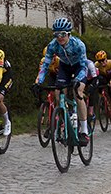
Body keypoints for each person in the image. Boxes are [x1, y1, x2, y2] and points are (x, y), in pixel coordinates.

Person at [32, 17, 89, 146]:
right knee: (58, 94)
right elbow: (45, 66)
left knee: (77, 93)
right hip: (64, 67)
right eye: (56, 34)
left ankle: (84, 131)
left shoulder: (78, 45)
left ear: (68, 33)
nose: (60, 37)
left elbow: (84, 67)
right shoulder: (52, 45)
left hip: (79, 67)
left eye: (63, 34)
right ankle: (65, 121)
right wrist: (38, 82)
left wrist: (78, 79)